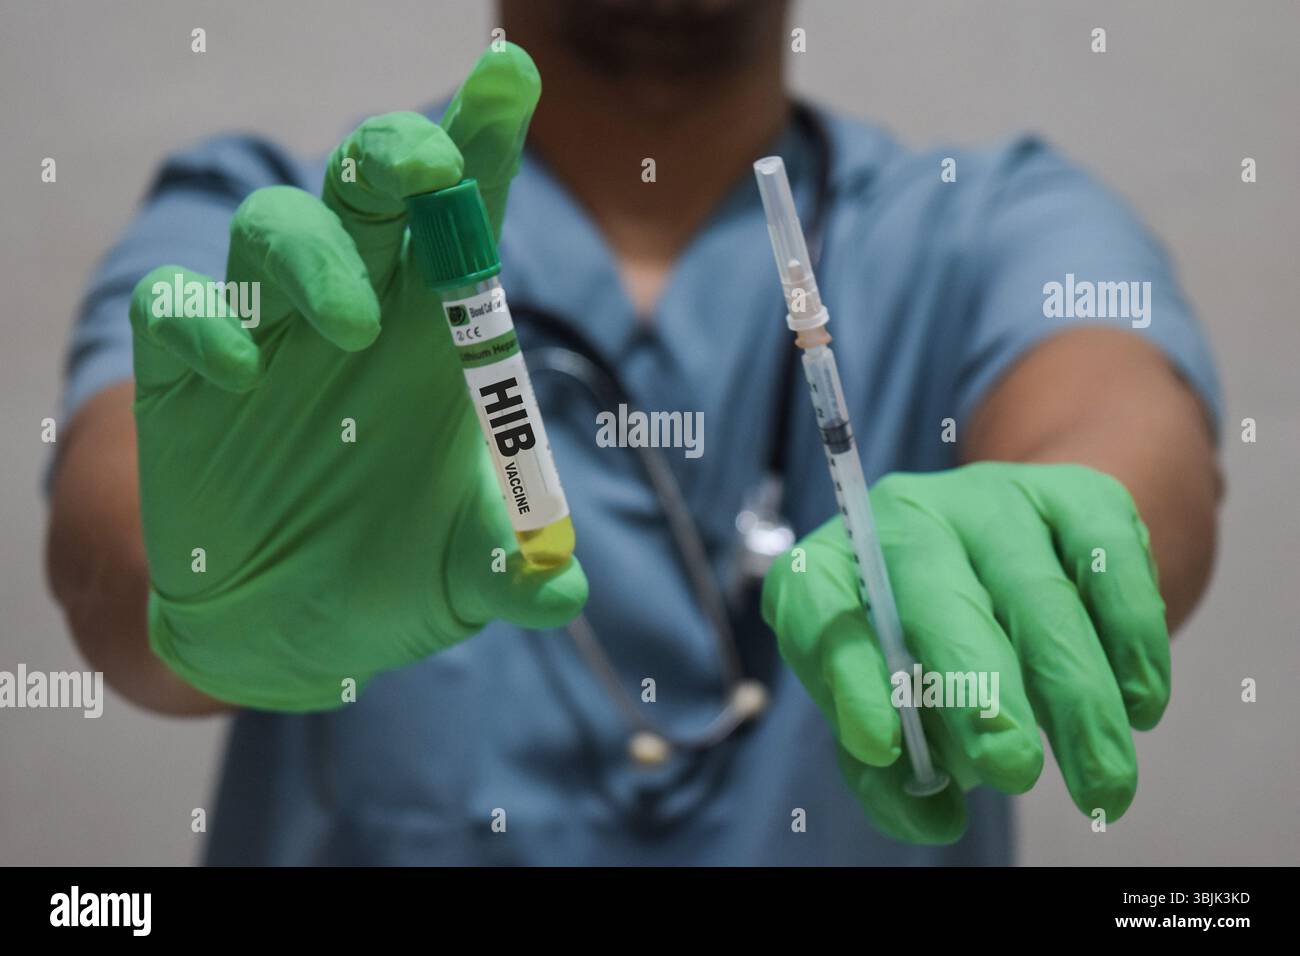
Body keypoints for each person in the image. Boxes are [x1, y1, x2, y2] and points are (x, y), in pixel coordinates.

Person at [45, 0, 1221, 865]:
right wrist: (203, 593)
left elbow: (1123, 431)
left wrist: (1035, 536)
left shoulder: (989, 220)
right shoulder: (282, 237)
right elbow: (111, 546)